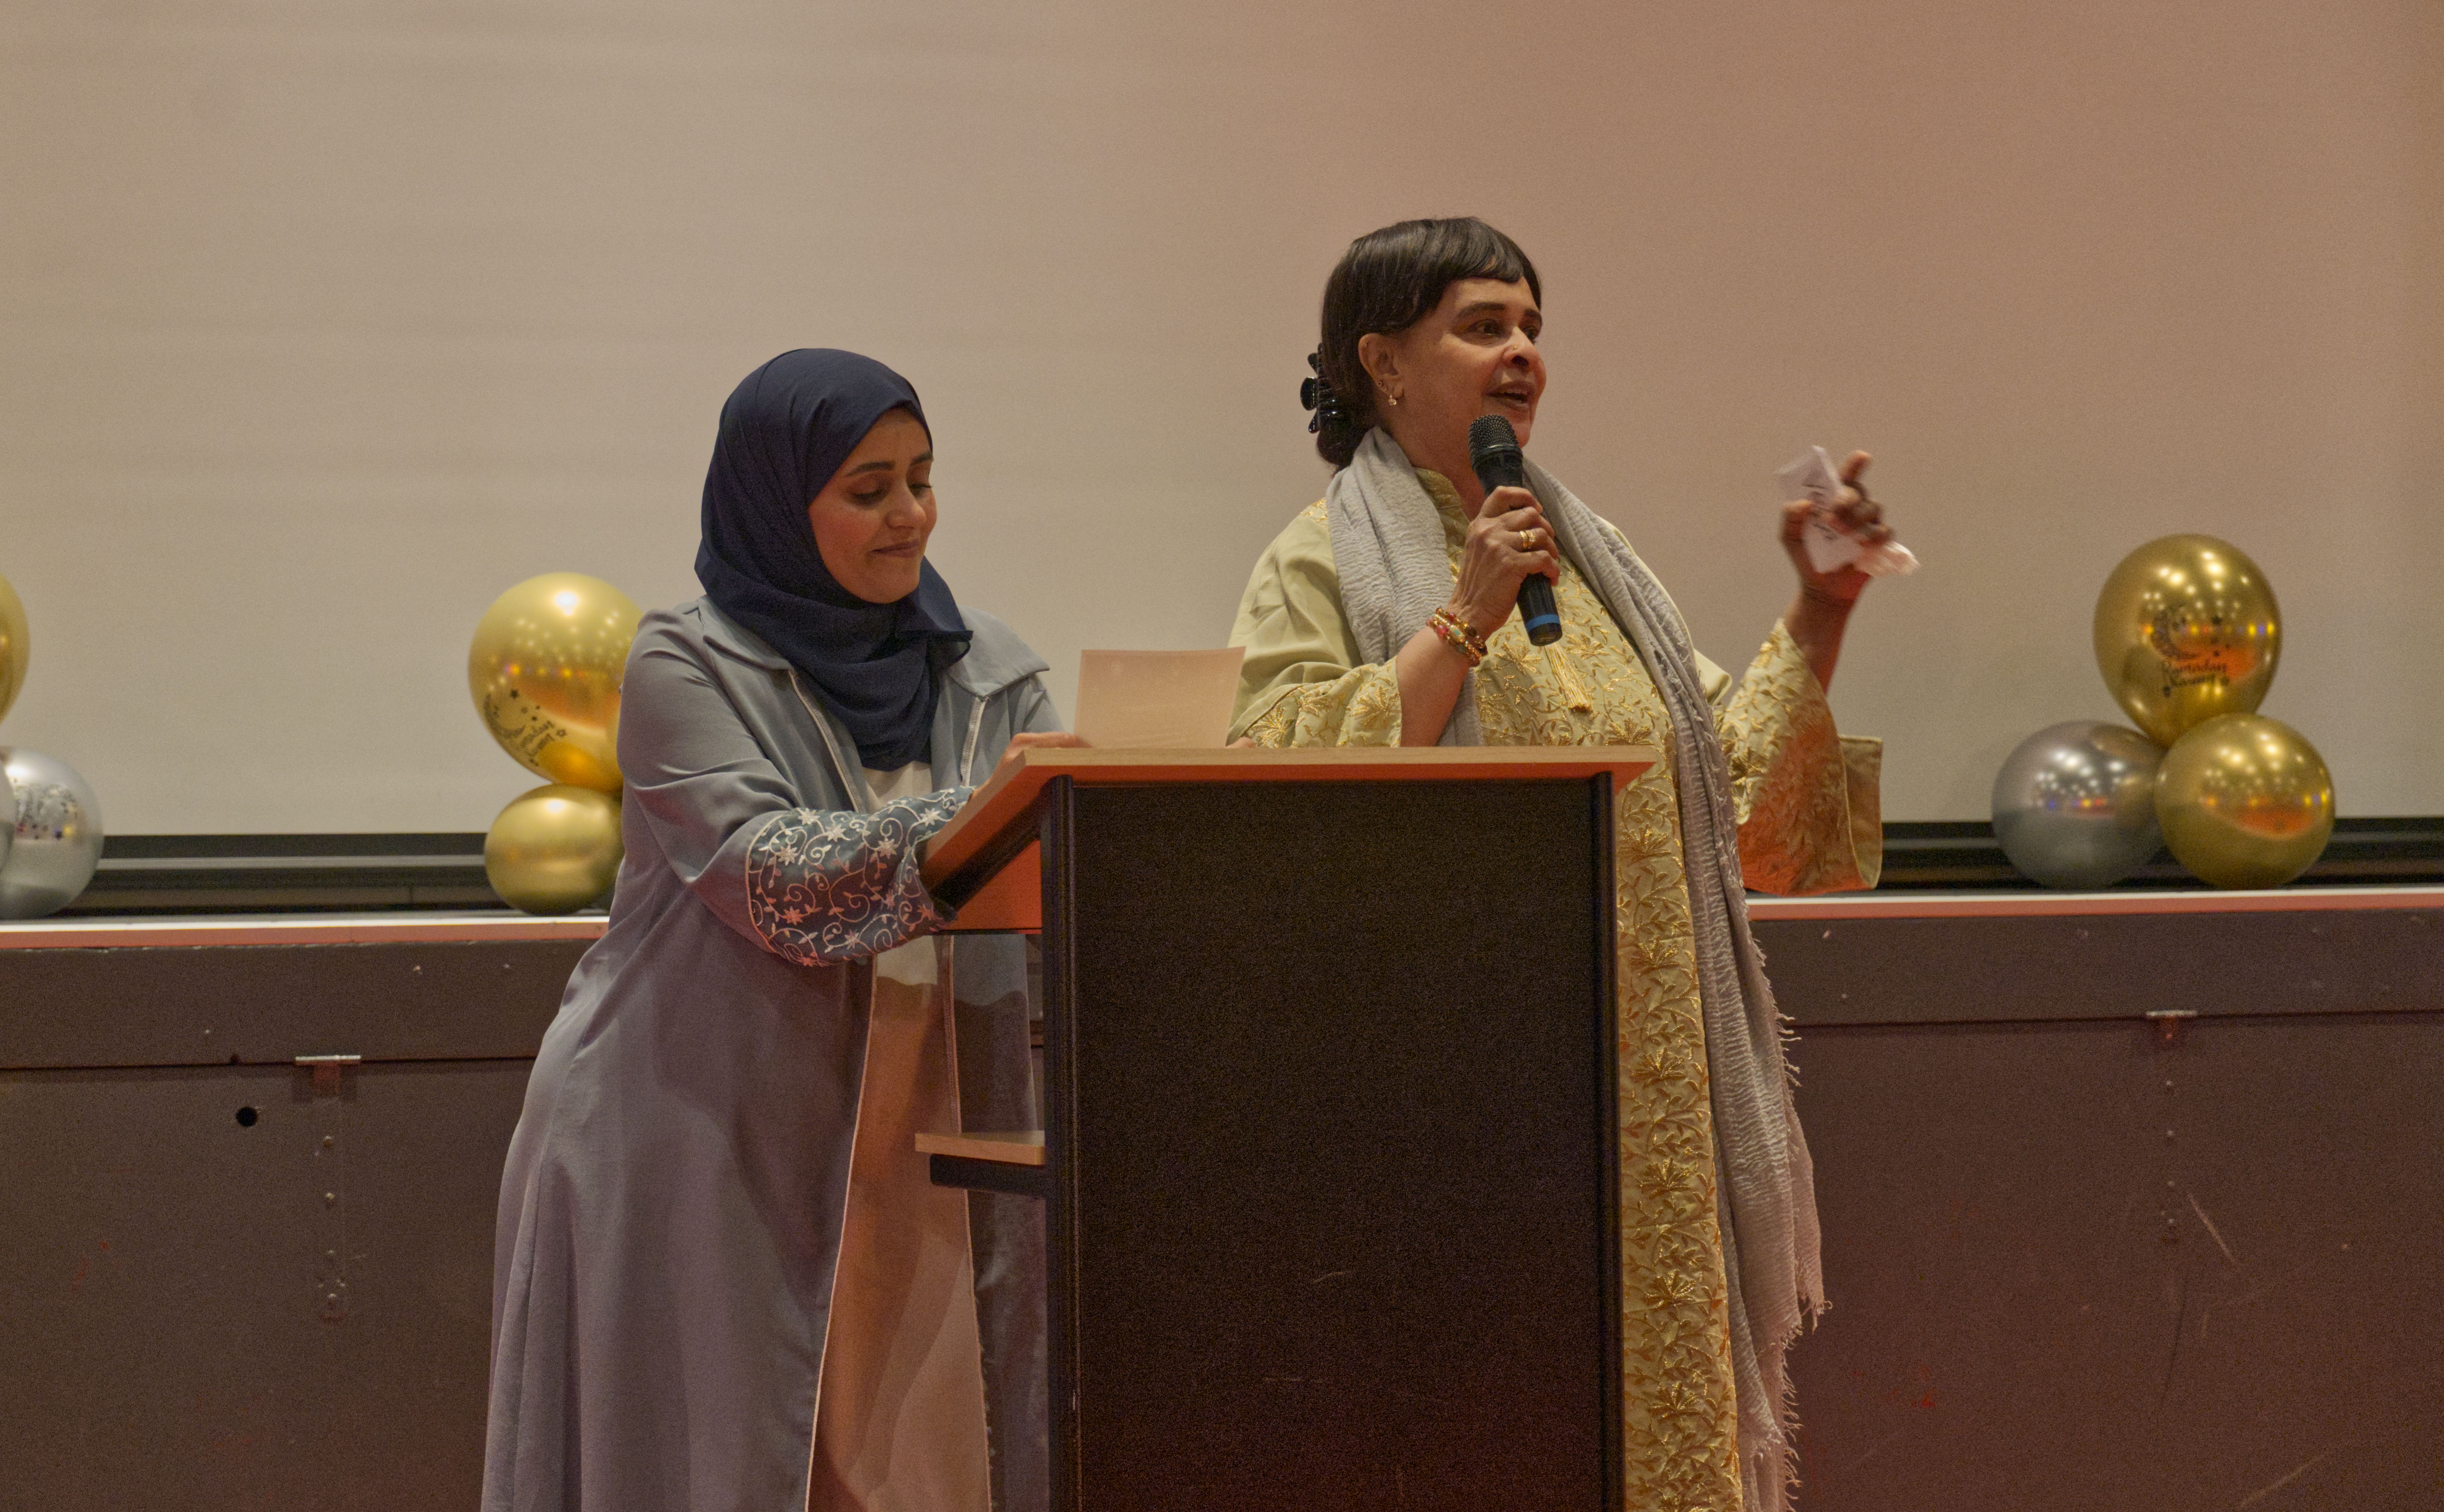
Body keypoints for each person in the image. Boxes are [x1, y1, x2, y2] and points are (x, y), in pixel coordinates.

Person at [1228, 218, 1891, 1512]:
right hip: (1455, 1105)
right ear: (1381, 363)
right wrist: (1462, 617)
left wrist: (1822, 605)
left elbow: (1736, 806)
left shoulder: (1588, 570)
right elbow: (1277, 792)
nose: (1523, 352)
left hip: (1645, 1111)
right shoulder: (1320, 558)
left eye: (1531, 327)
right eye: (1483, 327)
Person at [485, 349, 1076, 1512]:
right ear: (776, 504)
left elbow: (1055, 861)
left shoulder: (992, 673)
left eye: (922, 480)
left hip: (930, 1133)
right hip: (701, 1135)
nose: (911, 516)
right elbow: (773, 880)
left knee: (931, 1460)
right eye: (868, 490)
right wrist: (996, 809)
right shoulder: (685, 664)